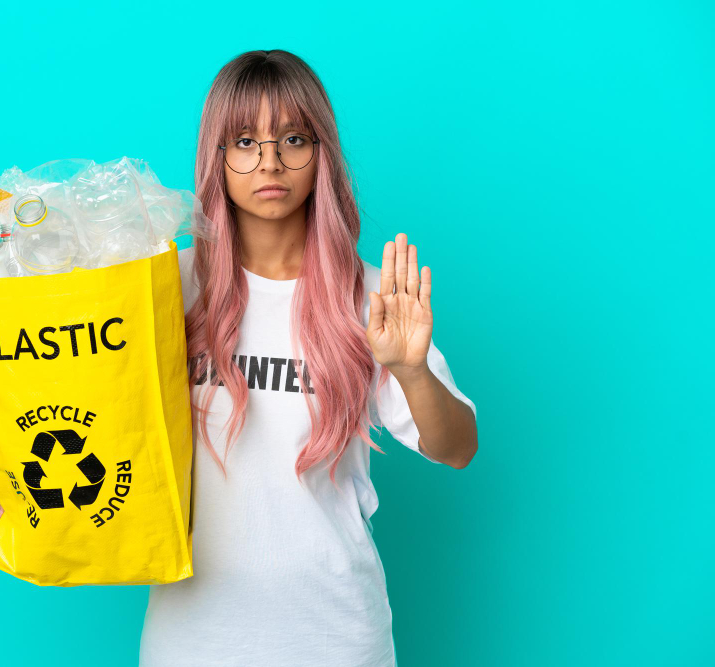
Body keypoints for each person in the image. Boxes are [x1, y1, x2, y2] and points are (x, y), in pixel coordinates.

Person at [137, 50, 478, 667]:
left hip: (335, 636)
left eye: (293, 138)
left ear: (322, 153)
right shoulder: (168, 287)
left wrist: (409, 369)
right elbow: (103, 414)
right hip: (192, 638)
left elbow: (457, 448)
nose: (270, 162)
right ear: (217, 156)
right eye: (244, 141)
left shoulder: (372, 296)